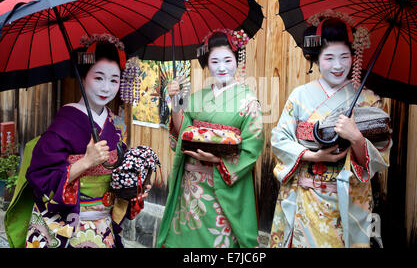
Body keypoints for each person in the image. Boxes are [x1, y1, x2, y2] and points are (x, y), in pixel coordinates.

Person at [269, 14, 391, 248]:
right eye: (329, 57)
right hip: (305, 198)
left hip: (347, 200)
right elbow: (279, 138)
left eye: (344, 57)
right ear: (316, 58)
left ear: (354, 57)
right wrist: (313, 155)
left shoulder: (368, 99)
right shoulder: (300, 95)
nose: (337, 65)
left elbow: (382, 153)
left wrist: (355, 137)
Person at [23, 34, 149, 248]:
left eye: (114, 80)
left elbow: (118, 176)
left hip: (103, 225)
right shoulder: (63, 125)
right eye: (98, 78)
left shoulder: (115, 125)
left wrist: (134, 186)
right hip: (67, 226)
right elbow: (39, 175)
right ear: (83, 76)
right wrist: (85, 163)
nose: (106, 88)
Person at [156, 29, 264, 248]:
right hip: (192, 187)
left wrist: (218, 160)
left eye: (227, 60)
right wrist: (176, 100)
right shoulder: (196, 98)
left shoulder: (249, 101)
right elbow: (181, 133)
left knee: (220, 240)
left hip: (222, 186)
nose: (222, 67)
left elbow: (252, 146)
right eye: (214, 61)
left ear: (237, 61)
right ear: (207, 63)